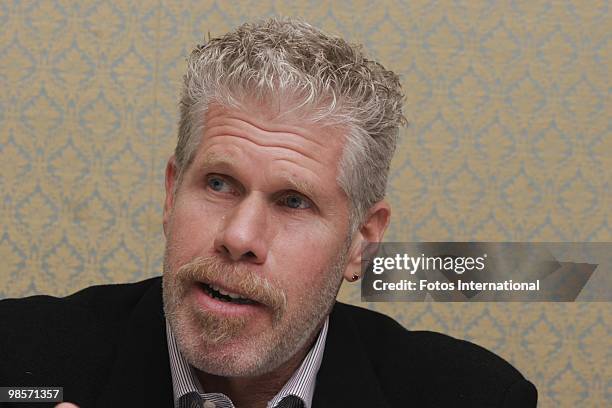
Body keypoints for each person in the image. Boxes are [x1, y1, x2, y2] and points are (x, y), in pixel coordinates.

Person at [0, 18, 536, 408]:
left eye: (293, 201)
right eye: (218, 183)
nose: (239, 236)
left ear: (361, 240)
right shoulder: (18, 359)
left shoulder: (475, 395)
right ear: (171, 193)